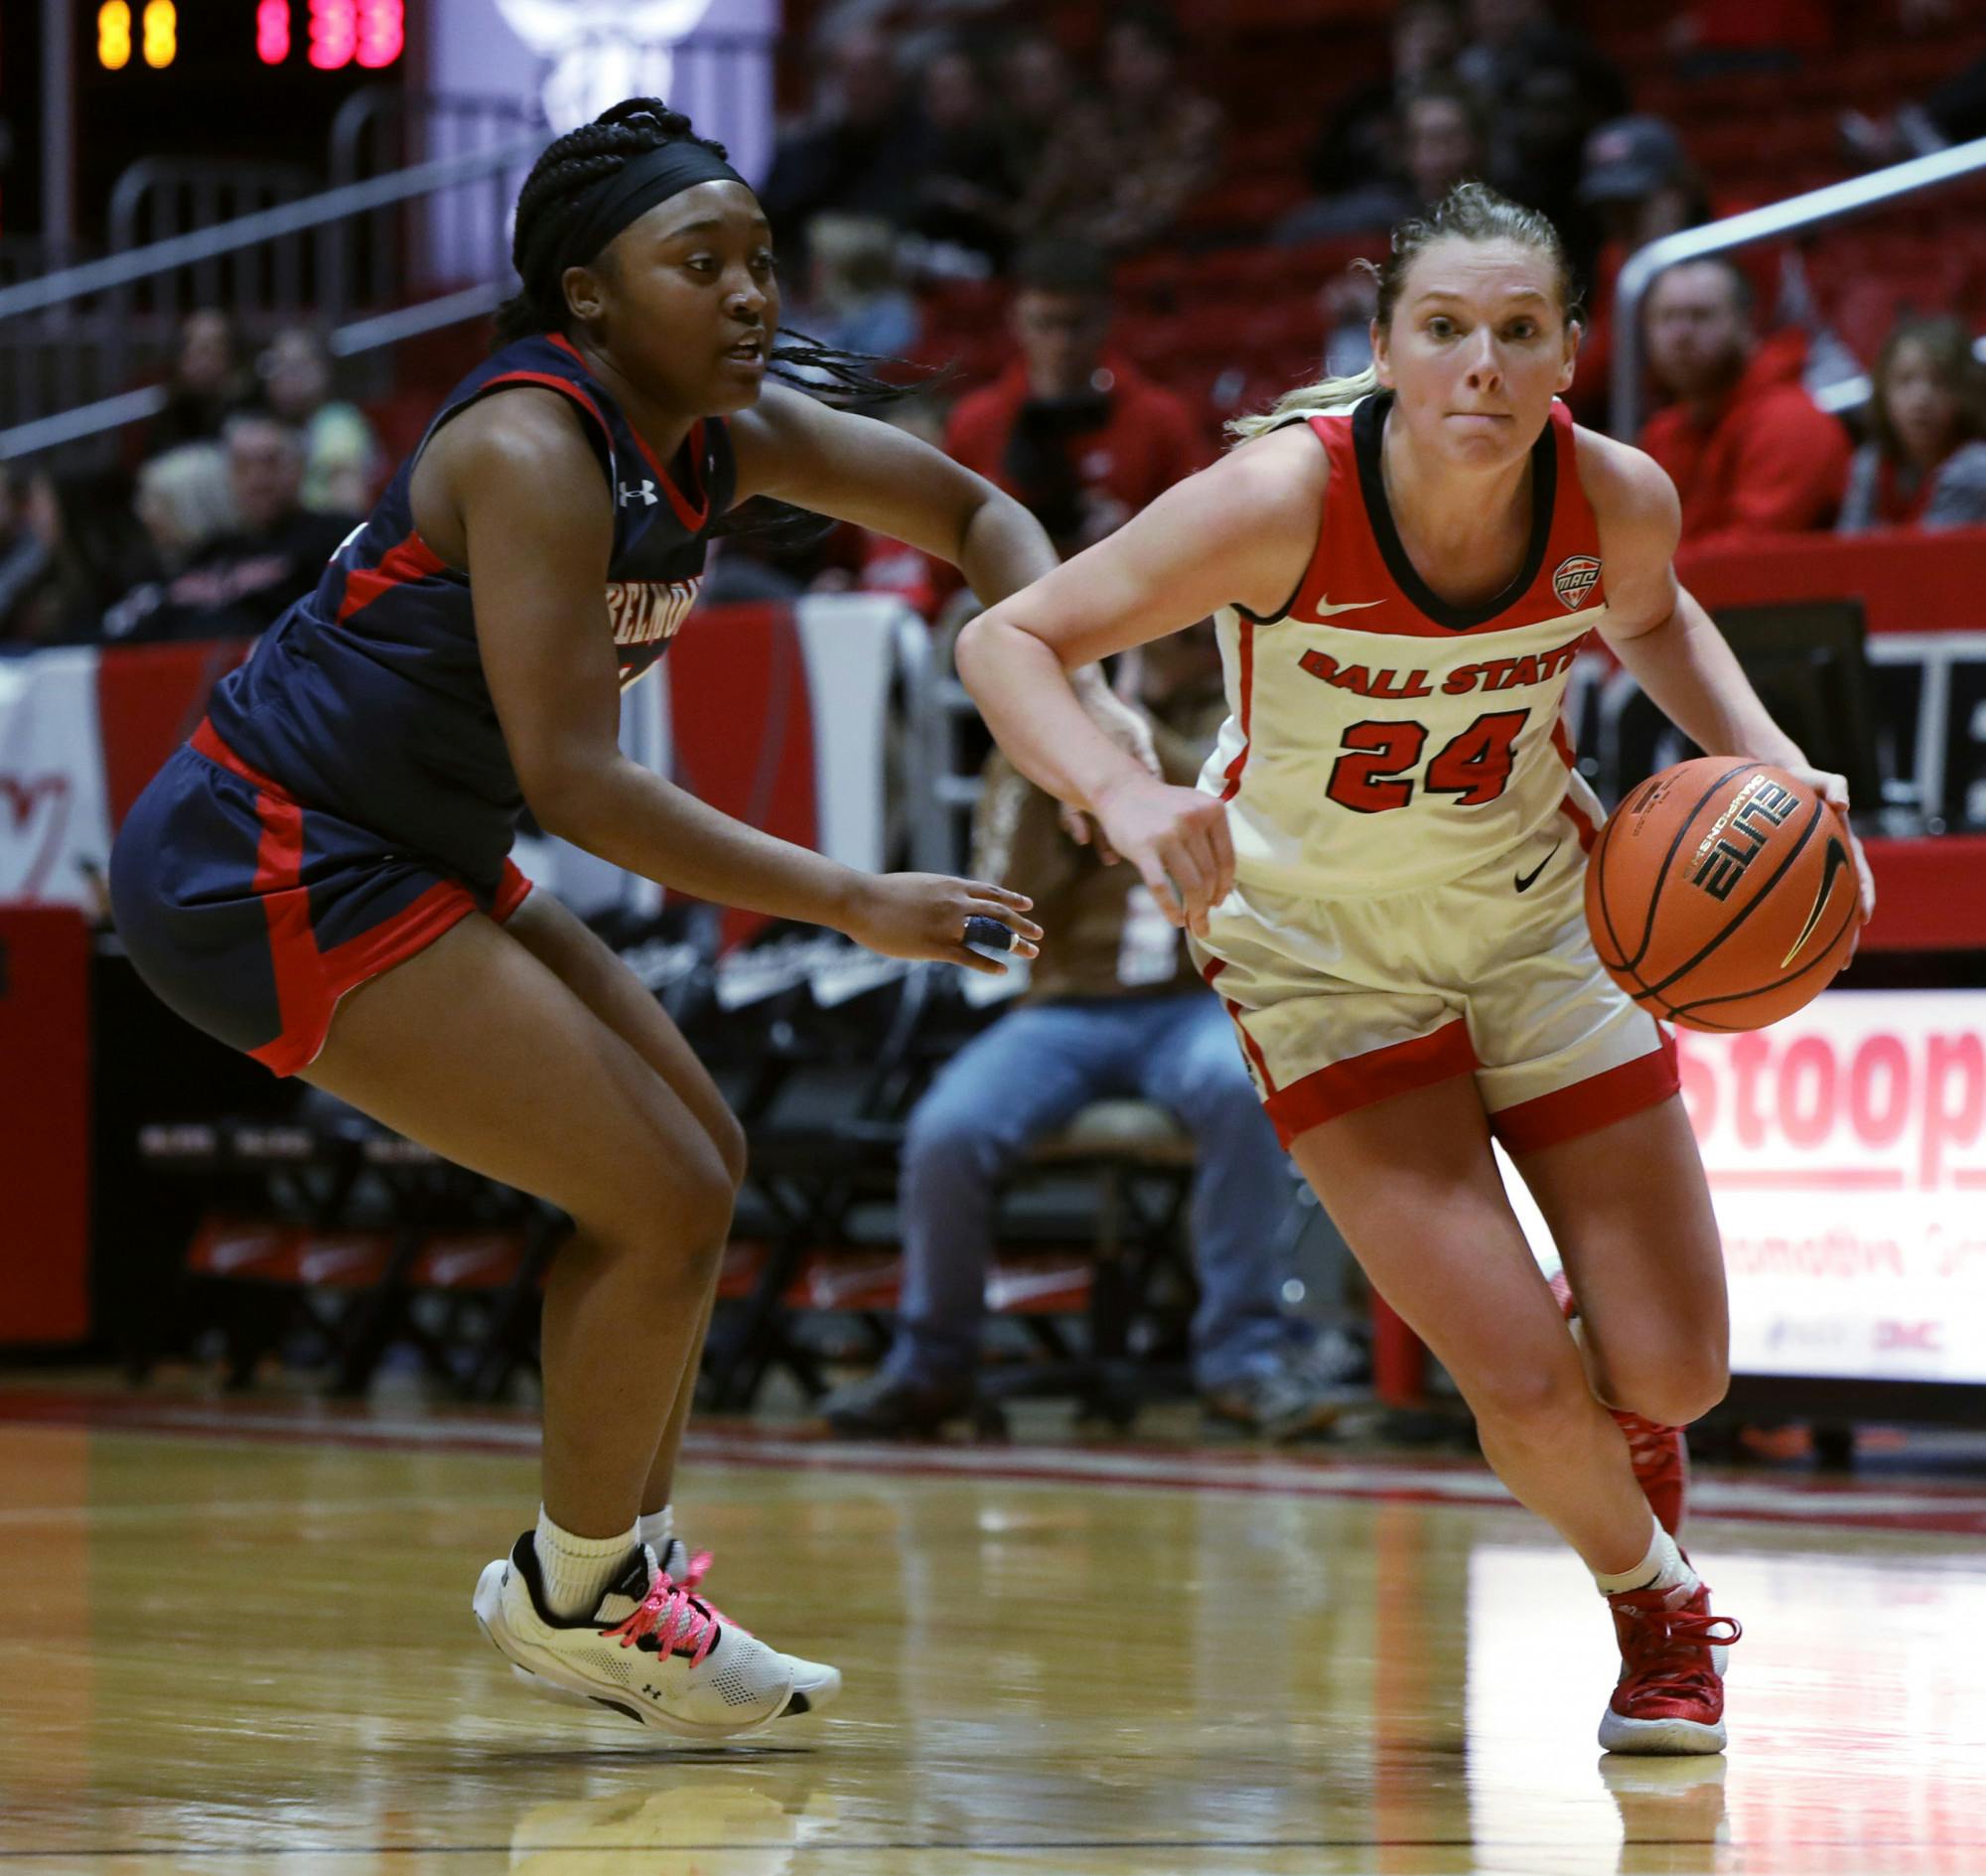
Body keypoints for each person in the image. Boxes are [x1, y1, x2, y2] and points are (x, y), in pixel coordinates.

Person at [103, 97, 1124, 1741]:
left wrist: (1047, 673)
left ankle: (621, 1580)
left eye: (761, 262)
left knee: (700, 1169)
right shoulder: (528, 449)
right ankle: (581, 1596)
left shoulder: (723, 431)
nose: (748, 296)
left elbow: (975, 515)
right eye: (698, 263)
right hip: (266, 857)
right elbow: (580, 785)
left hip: (408, 844)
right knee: (648, 1192)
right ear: (587, 294)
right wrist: (854, 894)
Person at [952, 182, 1875, 1756]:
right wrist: (1120, 790)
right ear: (1384, 345)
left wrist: (1777, 765)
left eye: (1521, 333)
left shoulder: (1615, 499)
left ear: (1573, 351)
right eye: (1444, 331)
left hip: (1535, 923)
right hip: (1319, 960)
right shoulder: (1276, 500)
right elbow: (1008, 641)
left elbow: (1654, 618)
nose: (1483, 367)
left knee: (1679, 1366)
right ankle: (1657, 1609)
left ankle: (1610, 1412)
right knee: (1517, 1376)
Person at [821, 622, 1340, 1441]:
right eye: (1174, 636)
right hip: (1065, 1010)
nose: (1194, 650)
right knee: (948, 1128)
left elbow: (1249, 847)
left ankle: (1246, 1359)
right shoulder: (1051, 742)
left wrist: (1114, 755)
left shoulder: (1255, 730)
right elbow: (1002, 896)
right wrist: (1043, 771)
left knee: (1241, 1092)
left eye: (1207, 636)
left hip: (1199, 1000)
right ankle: (933, 1364)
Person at [944, 239, 1207, 560]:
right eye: (1044, 323)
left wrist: (1134, 530)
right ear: (1015, 319)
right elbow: (942, 560)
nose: (1062, 343)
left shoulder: (1162, 418)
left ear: (1107, 316)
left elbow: (1203, 539)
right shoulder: (975, 422)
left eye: (1077, 323)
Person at [1638, 257, 1851, 549]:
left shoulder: (1791, 423)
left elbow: (1745, 559)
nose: (1680, 335)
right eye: (1665, 317)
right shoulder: (1663, 431)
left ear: (1746, 323)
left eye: (1700, 316)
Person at [101, 412, 355, 643]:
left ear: (299, 467)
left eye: (271, 462)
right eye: (242, 466)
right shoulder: (209, 553)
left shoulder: (339, 538)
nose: (257, 479)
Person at [1021, 3, 1222, 256]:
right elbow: (1039, 207)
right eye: (1116, 57)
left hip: (1174, 251)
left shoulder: (1197, 121)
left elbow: (1159, 211)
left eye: (1137, 56)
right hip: (1082, 254)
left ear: (1167, 56)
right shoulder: (1085, 123)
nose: (1125, 69)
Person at [1837, 314, 1986, 532]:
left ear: (1964, 393)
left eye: (1939, 382)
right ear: (1882, 391)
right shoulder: (1869, 465)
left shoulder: (1976, 469)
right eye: (1905, 381)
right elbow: (1844, 552)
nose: (1921, 400)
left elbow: (1928, 557)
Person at [258, 327, 383, 516]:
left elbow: (349, 512)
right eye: (277, 366)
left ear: (323, 372)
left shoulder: (338, 424)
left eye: (298, 366)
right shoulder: (265, 428)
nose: (287, 377)